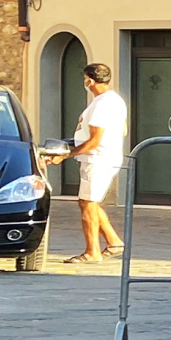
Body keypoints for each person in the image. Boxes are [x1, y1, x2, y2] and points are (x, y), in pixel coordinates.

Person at [63, 62, 127, 265]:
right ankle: (114, 242)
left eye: (85, 79)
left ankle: (92, 251)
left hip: (97, 158)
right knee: (88, 201)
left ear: (89, 80)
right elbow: (123, 130)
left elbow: (94, 140)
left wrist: (67, 155)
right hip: (104, 155)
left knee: (88, 203)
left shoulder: (101, 104)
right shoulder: (115, 100)